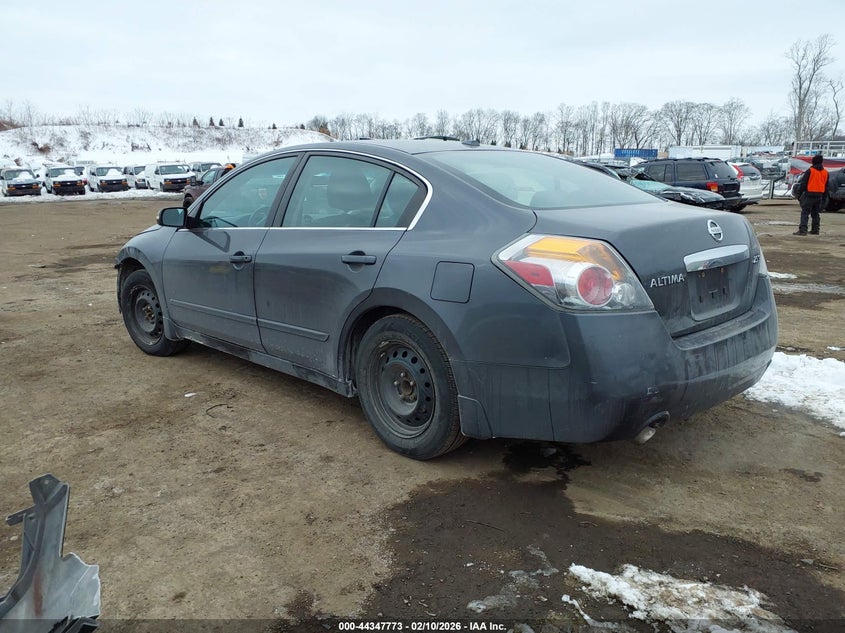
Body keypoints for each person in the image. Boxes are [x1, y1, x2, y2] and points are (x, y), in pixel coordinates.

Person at [792, 154, 831, 235]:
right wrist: (824, 197)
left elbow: (803, 183)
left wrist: (799, 194)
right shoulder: (825, 172)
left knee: (805, 213)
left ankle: (803, 230)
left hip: (809, 194)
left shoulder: (810, 171)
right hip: (819, 195)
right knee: (816, 213)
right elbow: (826, 186)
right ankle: (815, 229)